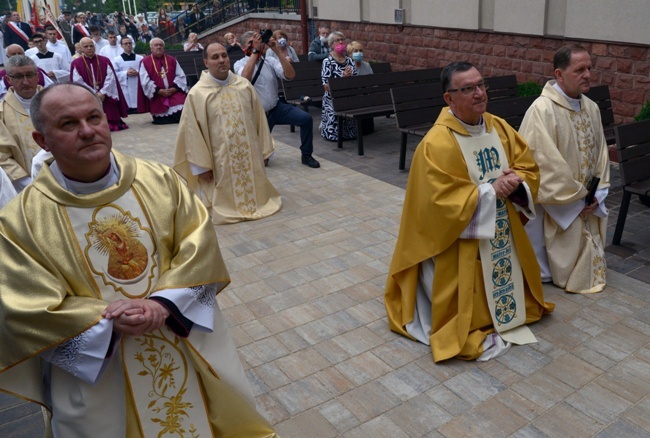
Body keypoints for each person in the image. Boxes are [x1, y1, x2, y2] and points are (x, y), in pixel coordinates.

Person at [0, 83, 277, 437]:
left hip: (181, 339)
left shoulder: (160, 180)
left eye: (94, 117)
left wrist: (164, 304)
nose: (87, 131)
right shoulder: (20, 220)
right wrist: (104, 322)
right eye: (68, 125)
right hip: (102, 374)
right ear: (42, 140)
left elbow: (199, 245)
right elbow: (25, 307)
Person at [385, 62, 554, 363]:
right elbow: (437, 203)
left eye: (481, 85)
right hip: (458, 240)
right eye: (467, 89)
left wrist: (517, 182)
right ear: (449, 99)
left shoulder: (498, 127)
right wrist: (492, 190)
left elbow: (527, 165)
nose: (479, 94)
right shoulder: (436, 144)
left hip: (502, 232)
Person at [518, 45, 610, 294]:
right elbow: (543, 167)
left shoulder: (591, 107)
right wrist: (578, 199)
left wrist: (596, 195)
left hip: (585, 202)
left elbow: (601, 155)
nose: (588, 75)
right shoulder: (542, 110)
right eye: (579, 69)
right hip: (557, 206)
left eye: (589, 68)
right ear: (559, 74)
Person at [175, 42, 282, 225]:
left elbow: (259, 120)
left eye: (224, 55)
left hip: (249, 157)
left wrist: (264, 150)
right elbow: (192, 133)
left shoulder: (244, 86)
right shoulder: (197, 94)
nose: (222, 60)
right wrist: (201, 167)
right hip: (219, 162)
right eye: (215, 57)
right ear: (206, 62)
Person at [234, 30, 320, 168]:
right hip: (257, 115)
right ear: (243, 47)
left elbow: (290, 75)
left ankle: (306, 155)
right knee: (263, 163)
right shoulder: (239, 64)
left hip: (276, 108)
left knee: (306, 119)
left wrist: (277, 51)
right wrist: (254, 51)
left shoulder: (269, 61)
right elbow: (245, 79)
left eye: (257, 42)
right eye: (251, 43)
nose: (255, 45)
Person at [0, 56, 43, 192]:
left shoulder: (58, 102)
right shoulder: (2, 113)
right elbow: (3, 155)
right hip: (28, 186)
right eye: (18, 77)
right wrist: (28, 184)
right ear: (9, 80)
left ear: (37, 76)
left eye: (29, 75)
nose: (25, 82)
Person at [70, 37, 128, 131]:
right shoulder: (76, 63)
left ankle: (110, 121)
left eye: (91, 46)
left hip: (105, 95)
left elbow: (111, 78)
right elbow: (78, 81)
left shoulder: (104, 60)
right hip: (88, 95)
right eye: (86, 46)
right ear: (81, 48)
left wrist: (103, 92)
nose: (89, 48)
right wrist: (93, 93)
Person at [139, 38, 188, 125]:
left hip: (173, 92)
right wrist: (158, 91)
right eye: (156, 45)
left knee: (184, 111)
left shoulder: (171, 60)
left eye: (161, 45)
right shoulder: (145, 61)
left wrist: (174, 89)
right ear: (151, 48)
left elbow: (181, 76)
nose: (159, 47)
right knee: (161, 119)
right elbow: (145, 81)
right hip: (158, 94)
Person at [321, 31, 357, 141]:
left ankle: (349, 133)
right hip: (332, 98)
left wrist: (350, 78)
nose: (341, 42)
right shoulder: (327, 61)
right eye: (338, 40)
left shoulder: (350, 60)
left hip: (347, 96)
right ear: (331, 45)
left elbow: (356, 81)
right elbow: (326, 86)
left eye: (342, 39)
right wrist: (342, 78)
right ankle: (333, 133)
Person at [113, 36, 143, 113]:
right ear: (121, 46)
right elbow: (114, 74)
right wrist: (125, 73)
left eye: (130, 43)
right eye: (126, 43)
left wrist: (137, 72)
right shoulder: (117, 59)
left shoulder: (140, 58)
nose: (128, 45)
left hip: (137, 83)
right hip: (125, 84)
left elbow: (145, 71)